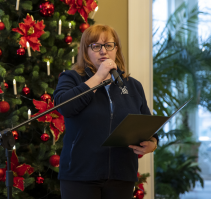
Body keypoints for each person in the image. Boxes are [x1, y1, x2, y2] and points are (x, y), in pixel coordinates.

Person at [53, 24, 158, 199]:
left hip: (122, 175)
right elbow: (65, 106)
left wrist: (152, 142)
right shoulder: (71, 78)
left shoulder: (132, 85)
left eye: (108, 45)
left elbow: (146, 123)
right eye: (96, 46)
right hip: (81, 175)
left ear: (116, 49)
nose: (103, 51)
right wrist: (99, 76)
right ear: (86, 52)